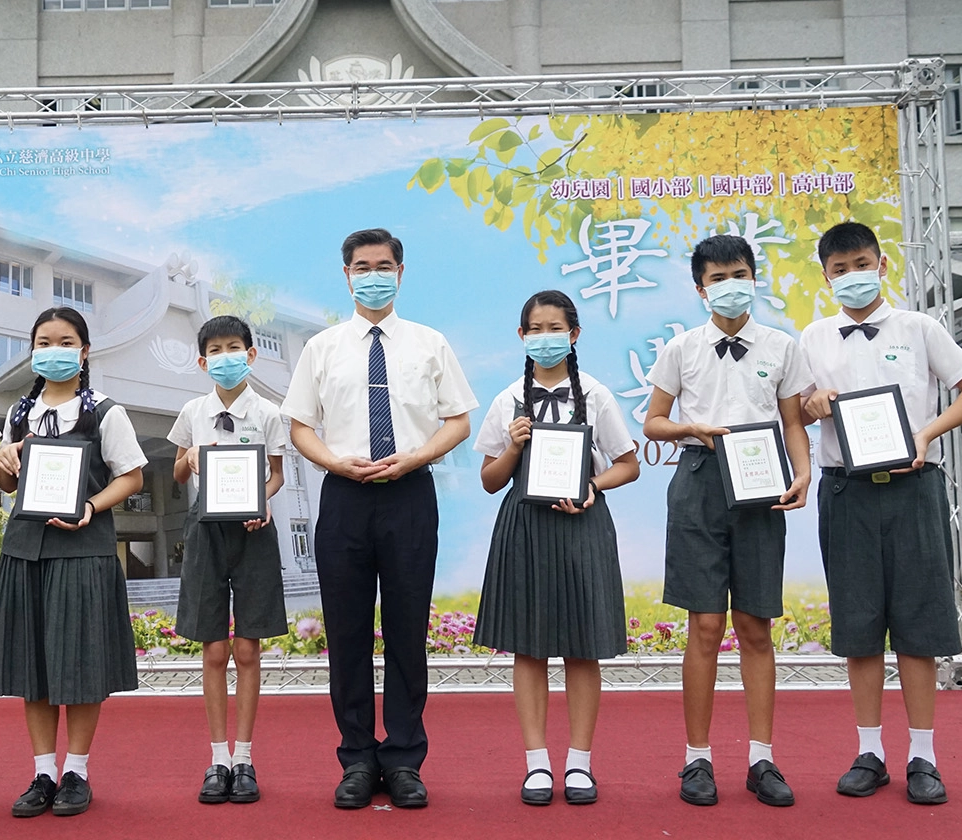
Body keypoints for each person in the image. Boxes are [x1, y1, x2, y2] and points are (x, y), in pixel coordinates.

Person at [281, 227, 478, 810]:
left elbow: (457, 421)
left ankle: (405, 758)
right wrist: (334, 463)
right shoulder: (321, 348)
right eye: (362, 266)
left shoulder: (430, 343)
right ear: (346, 275)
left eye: (384, 265)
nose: (374, 274)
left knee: (406, 631)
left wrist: (416, 456)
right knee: (345, 635)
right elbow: (299, 427)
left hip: (410, 494)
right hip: (343, 498)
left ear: (401, 271)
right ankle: (357, 760)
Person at [799, 221, 962, 806]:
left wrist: (925, 433)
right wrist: (812, 405)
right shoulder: (812, 338)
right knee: (859, 629)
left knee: (918, 626)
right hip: (846, 493)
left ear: (882, 265)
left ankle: (923, 757)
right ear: (827, 276)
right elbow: (801, 411)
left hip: (914, 490)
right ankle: (869, 752)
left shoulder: (919, 327)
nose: (851, 276)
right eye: (839, 269)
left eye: (861, 263)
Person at [642, 234, 813, 808]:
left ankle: (762, 759)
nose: (729, 285)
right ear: (700, 288)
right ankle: (697, 760)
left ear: (753, 277)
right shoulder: (682, 348)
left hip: (763, 483)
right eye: (717, 278)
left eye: (738, 274)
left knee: (757, 627)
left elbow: (793, 423)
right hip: (700, 482)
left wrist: (803, 471)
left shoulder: (782, 347)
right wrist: (694, 430)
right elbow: (654, 423)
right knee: (706, 628)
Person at [472, 289, 640, 807]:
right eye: (535, 330)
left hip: (583, 527)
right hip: (525, 527)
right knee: (529, 645)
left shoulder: (596, 392)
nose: (546, 339)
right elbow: (489, 479)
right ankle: (537, 763)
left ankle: (581, 763)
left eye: (555, 329)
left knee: (582, 645)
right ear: (522, 337)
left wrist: (594, 486)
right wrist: (515, 445)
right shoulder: (506, 400)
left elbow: (628, 463)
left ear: (574, 334)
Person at [0, 307, 145, 819]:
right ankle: (42, 772)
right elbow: (8, 485)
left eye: (64, 341)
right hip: (25, 550)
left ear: (83, 351)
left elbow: (132, 477)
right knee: (32, 664)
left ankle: (76, 770)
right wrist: (3, 460)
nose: (52, 350)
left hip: (83, 551)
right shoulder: (17, 413)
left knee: (79, 664)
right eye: (42, 342)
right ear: (32, 350)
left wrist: (91, 506)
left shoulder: (104, 411)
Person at [168, 314, 290, 805]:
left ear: (250, 354)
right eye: (215, 350)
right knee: (214, 651)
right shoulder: (193, 411)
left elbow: (277, 474)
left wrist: (261, 502)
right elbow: (178, 474)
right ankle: (217, 759)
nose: (225, 357)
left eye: (234, 347)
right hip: (205, 531)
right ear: (202, 361)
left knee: (247, 650)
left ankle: (244, 757)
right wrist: (190, 458)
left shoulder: (269, 413)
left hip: (253, 531)